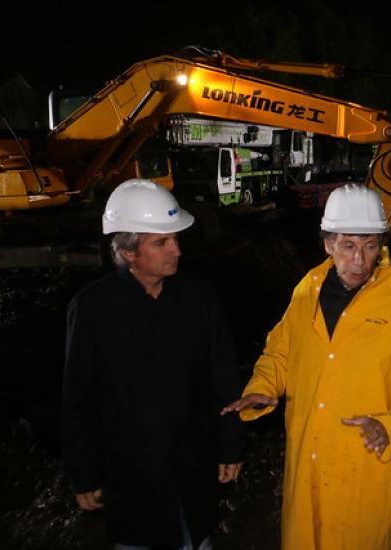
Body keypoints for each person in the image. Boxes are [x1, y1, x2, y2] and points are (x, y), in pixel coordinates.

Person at [222, 184, 391, 549]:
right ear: (327, 244)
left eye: (370, 246)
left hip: (364, 467)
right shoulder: (307, 289)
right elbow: (280, 351)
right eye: (349, 246)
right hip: (309, 458)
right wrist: (263, 386)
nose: (360, 260)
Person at [62, 179, 245, 550]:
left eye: (175, 239)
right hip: (130, 474)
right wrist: (84, 474)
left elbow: (223, 378)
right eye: (162, 242)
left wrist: (231, 445)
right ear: (130, 251)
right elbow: (78, 397)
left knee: (197, 539)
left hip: (192, 465)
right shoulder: (93, 309)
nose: (176, 250)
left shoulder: (199, 299)